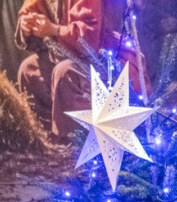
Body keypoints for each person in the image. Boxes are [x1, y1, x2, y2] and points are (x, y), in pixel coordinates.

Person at [16, 0, 142, 138]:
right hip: (63, 54)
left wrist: (54, 30)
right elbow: (29, 12)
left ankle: (70, 144)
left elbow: (88, 40)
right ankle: (43, 141)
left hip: (103, 58)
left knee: (65, 72)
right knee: (28, 70)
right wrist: (26, 25)